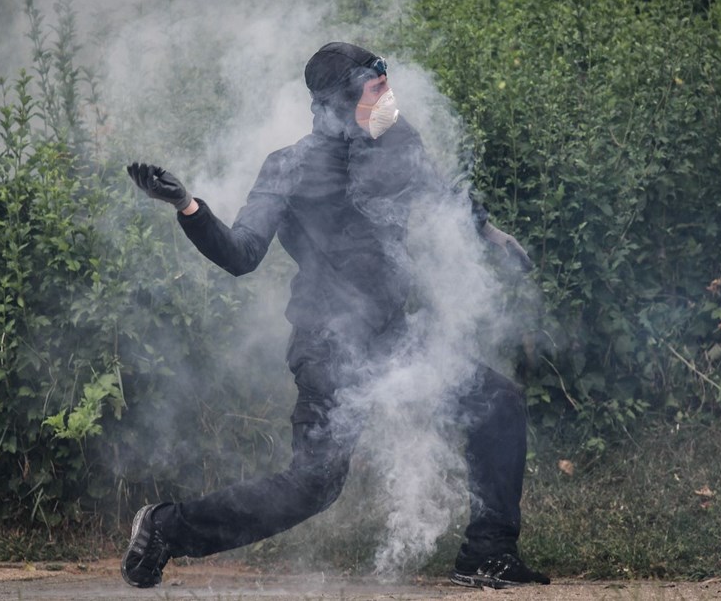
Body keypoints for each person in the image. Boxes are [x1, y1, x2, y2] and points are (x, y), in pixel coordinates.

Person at [121, 42, 549, 589]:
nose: (389, 98)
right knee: (314, 486)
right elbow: (241, 255)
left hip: (393, 338)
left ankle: (488, 553)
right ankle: (164, 528)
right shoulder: (289, 167)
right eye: (376, 89)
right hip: (328, 345)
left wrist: (490, 233)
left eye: (387, 85)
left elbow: (439, 191)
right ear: (338, 102)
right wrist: (188, 207)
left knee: (498, 404)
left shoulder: (397, 140)